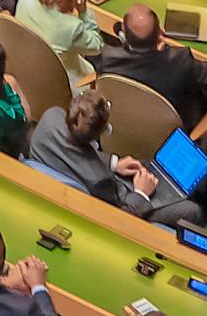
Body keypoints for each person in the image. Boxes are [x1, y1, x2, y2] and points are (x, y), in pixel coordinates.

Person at [25, 87, 193, 224]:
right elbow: (119, 218)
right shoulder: (101, 181)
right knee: (192, 210)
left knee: (147, 165)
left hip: (58, 185)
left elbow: (76, 153)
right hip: (118, 202)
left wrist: (114, 164)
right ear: (104, 131)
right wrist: (142, 193)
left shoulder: (51, 116)